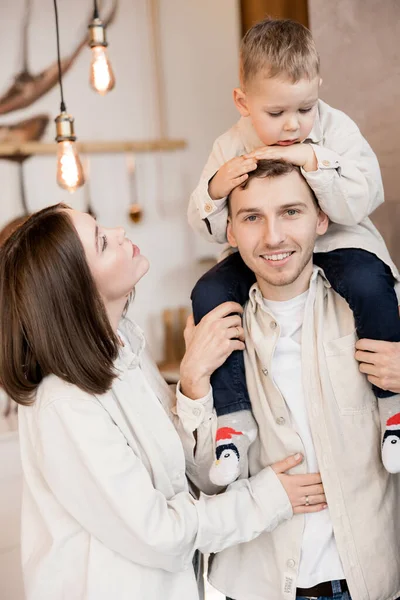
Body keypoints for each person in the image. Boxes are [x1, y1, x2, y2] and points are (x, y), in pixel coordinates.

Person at [0, 203, 327, 600]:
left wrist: (193, 383)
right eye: (103, 242)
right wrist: (269, 498)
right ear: (77, 289)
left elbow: (186, 479)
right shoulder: (64, 405)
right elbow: (160, 534)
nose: (119, 232)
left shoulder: (125, 353)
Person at [189, 17, 400, 484]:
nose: (292, 125)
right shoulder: (229, 144)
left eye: (305, 109)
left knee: (371, 282)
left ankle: (393, 409)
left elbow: (363, 197)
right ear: (243, 103)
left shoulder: (336, 129)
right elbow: (205, 224)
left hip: (342, 240)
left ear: (319, 89)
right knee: (207, 293)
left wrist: (316, 162)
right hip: (259, 260)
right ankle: (234, 420)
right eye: (276, 113)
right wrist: (216, 187)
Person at [182, 160, 400, 600]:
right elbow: (207, 481)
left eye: (291, 212)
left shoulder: (380, 307)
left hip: (372, 581)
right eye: (251, 217)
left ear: (322, 218)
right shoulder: (213, 326)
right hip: (256, 586)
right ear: (230, 231)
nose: (273, 236)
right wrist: (191, 382)